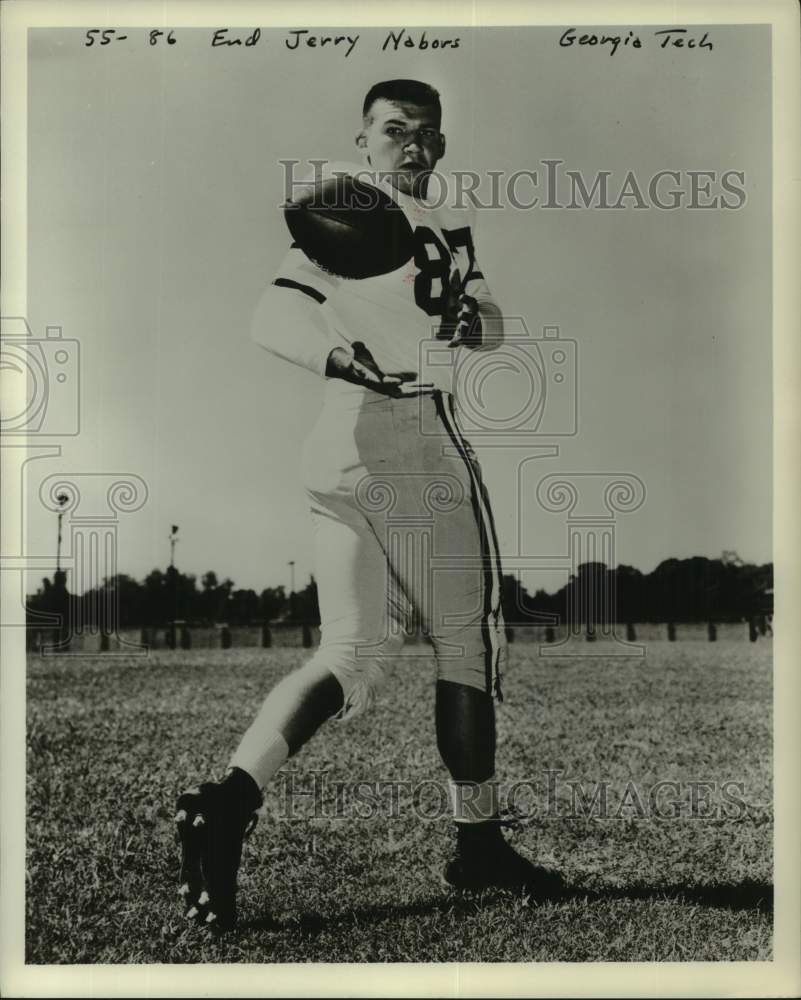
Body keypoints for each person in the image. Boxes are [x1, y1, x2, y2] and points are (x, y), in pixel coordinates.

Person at [175, 79, 563, 932]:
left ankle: (227, 803)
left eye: (427, 134)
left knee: (349, 650)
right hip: (409, 437)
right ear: (364, 139)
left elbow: (490, 315)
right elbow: (272, 313)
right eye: (395, 132)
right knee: (466, 639)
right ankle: (477, 843)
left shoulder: (448, 223)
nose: (412, 146)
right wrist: (337, 356)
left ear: (442, 144)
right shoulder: (353, 207)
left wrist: (476, 325)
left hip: (338, 451)